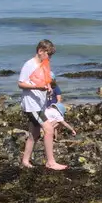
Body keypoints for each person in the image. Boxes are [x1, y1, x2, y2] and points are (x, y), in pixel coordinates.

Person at [18, 39, 65, 170]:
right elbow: (20, 83)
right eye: (48, 54)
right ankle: (51, 162)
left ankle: (25, 161)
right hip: (31, 105)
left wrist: (48, 87)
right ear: (40, 51)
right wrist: (39, 87)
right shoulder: (29, 65)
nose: (49, 57)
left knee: (34, 134)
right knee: (49, 129)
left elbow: (45, 80)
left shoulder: (44, 64)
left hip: (40, 105)